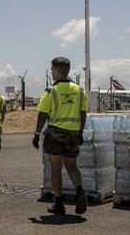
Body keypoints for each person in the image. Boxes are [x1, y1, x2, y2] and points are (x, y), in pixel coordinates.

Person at [32, 57, 88, 215]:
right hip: (73, 134)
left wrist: (36, 134)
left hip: (55, 132)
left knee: (56, 168)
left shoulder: (51, 90)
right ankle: (80, 192)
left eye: (52, 70)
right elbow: (83, 113)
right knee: (71, 166)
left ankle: (58, 203)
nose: (51, 73)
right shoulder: (79, 91)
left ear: (56, 71)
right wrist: (80, 132)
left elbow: (42, 113)